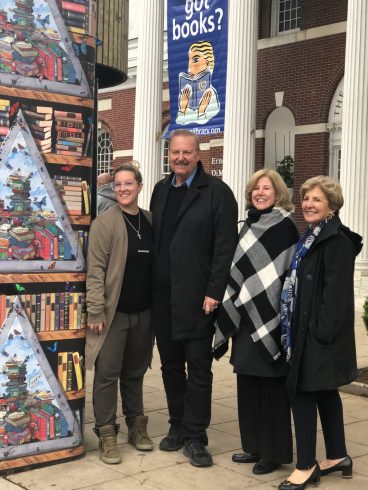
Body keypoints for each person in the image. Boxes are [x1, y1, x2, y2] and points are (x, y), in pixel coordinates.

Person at [150, 129, 238, 467]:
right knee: (171, 367)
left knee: (199, 371)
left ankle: (196, 436)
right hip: (164, 299)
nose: (180, 158)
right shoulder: (160, 190)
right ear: (169, 155)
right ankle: (177, 426)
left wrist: (214, 292)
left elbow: (224, 248)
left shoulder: (217, 193)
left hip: (199, 300)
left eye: (187, 152)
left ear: (198, 155)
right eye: (175, 153)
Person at [278, 176, 363, 490]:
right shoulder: (312, 236)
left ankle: (305, 466)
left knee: (301, 393)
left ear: (332, 205)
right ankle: (338, 456)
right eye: (305, 199)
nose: (308, 205)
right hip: (306, 330)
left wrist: (316, 335)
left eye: (315, 199)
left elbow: (336, 297)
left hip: (318, 336)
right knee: (326, 392)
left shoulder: (335, 240)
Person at [214, 169, 299, 475]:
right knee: (247, 384)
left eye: (267, 188)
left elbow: (286, 274)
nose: (260, 193)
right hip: (245, 319)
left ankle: (273, 453)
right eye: (255, 189)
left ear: (278, 194)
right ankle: (253, 445)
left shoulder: (285, 227)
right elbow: (237, 269)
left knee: (272, 390)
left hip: (272, 318)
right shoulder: (246, 226)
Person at [86, 163, 154, 464]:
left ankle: (137, 426)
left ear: (139, 186)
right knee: (107, 375)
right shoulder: (105, 223)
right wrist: (96, 311)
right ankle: (107, 433)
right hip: (113, 315)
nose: (123, 189)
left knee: (135, 373)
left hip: (145, 313)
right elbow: (95, 271)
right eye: (118, 184)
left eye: (129, 183)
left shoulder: (151, 220)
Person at [176, 41, 220, 126]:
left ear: (207, 63)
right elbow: (179, 124)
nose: (189, 69)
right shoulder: (184, 95)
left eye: (195, 60)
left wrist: (202, 112)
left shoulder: (212, 95)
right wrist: (182, 109)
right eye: (189, 60)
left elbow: (212, 123)